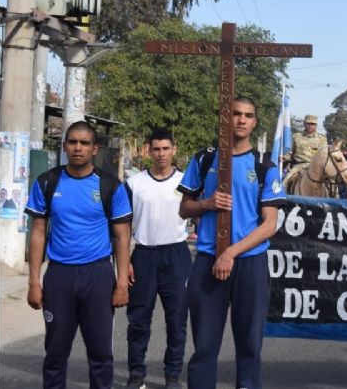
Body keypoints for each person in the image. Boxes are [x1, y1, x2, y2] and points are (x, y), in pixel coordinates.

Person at [178, 96, 286, 389]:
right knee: (204, 345)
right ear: (226, 117)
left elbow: (269, 225)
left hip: (249, 263)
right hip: (208, 259)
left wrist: (231, 253)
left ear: (254, 122)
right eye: (236, 113)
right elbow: (184, 208)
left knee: (249, 344)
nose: (241, 120)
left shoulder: (264, 166)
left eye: (248, 115)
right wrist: (207, 203)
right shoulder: (204, 159)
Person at [25, 120, 133, 389]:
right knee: (55, 353)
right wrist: (34, 282)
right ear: (64, 146)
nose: (78, 148)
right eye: (72, 142)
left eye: (84, 143)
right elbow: (38, 233)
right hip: (59, 276)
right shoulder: (47, 182)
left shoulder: (110, 185)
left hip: (98, 276)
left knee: (101, 354)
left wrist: (121, 283)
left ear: (94, 148)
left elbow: (122, 237)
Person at [125, 129, 191, 389]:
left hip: (177, 255)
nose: (161, 154)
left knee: (177, 320)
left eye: (166, 148)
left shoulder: (186, 182)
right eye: (157, 149)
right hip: (144, 255)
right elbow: (122, 226)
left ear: (174, 149)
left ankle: (172, 376)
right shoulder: (134, 183)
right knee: (138, 320)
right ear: (148, 151)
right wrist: (124, 262)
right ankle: (136, 374)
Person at [284, 114, 327, 188]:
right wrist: (283, 158)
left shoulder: (322, 139)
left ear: (316, 126)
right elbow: (290, 152)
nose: (310, 126)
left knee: (331, 184)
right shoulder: (296, 136)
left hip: (316, 168)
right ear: (304, 124)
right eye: (308, 123)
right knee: (285, 182)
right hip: (299, 167)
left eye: (313, 124)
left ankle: (335, 195)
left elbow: (324, 155)